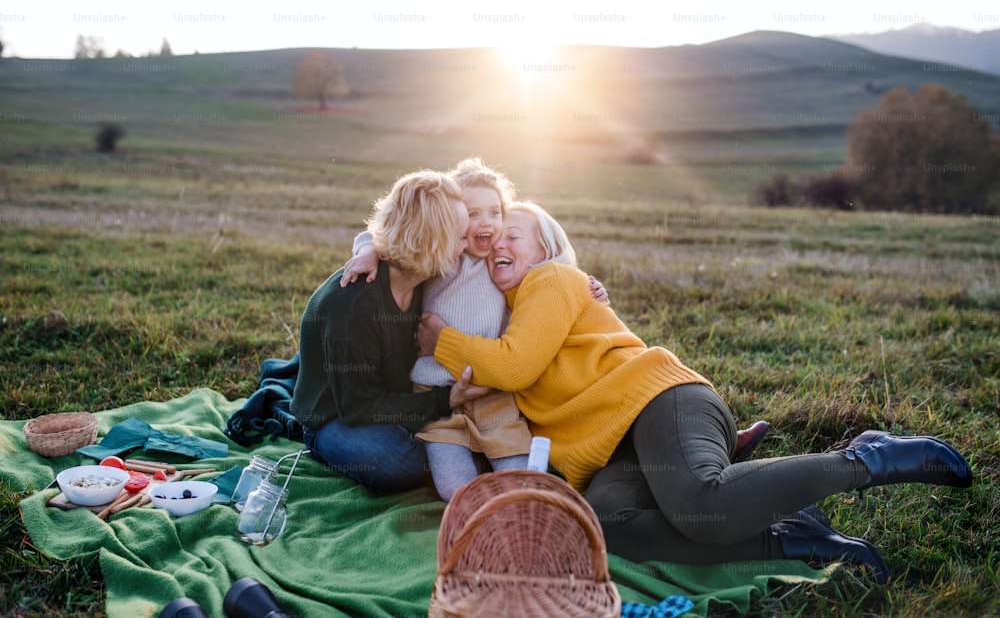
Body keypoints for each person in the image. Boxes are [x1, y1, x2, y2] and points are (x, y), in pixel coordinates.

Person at [417, 201, 973, 581]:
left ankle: (868, 459)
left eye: (514, 235)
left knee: (702, 503)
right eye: (493, 247)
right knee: (607, 526)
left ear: (546, 248)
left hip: (658, 399)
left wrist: (441, 339)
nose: (499, 248)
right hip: (619, 449)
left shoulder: (552, 281)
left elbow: (512, 368)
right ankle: (792, 539)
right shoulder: (504, 320)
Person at [341, 159, 533, 501]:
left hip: (492, 395)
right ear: (452, 221)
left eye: (495, 212)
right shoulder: (441, 255)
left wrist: (590, 288)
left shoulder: (503, 259)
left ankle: (517, 514)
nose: (486, 223)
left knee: (523, 478)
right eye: (473, 215)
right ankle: (477, 518)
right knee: (453, 488)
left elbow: (551, 264)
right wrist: (367, 251)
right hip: (434, 395)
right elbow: (378, 233)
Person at [290, 169, 490, 493]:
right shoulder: (354, 307)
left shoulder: (421, 275)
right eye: (460, 237)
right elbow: (358, 408)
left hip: (389, 397)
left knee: (439, 447)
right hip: (334, 416)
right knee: (398, 463)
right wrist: (446, 400)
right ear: (431, 241)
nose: (466, 246)